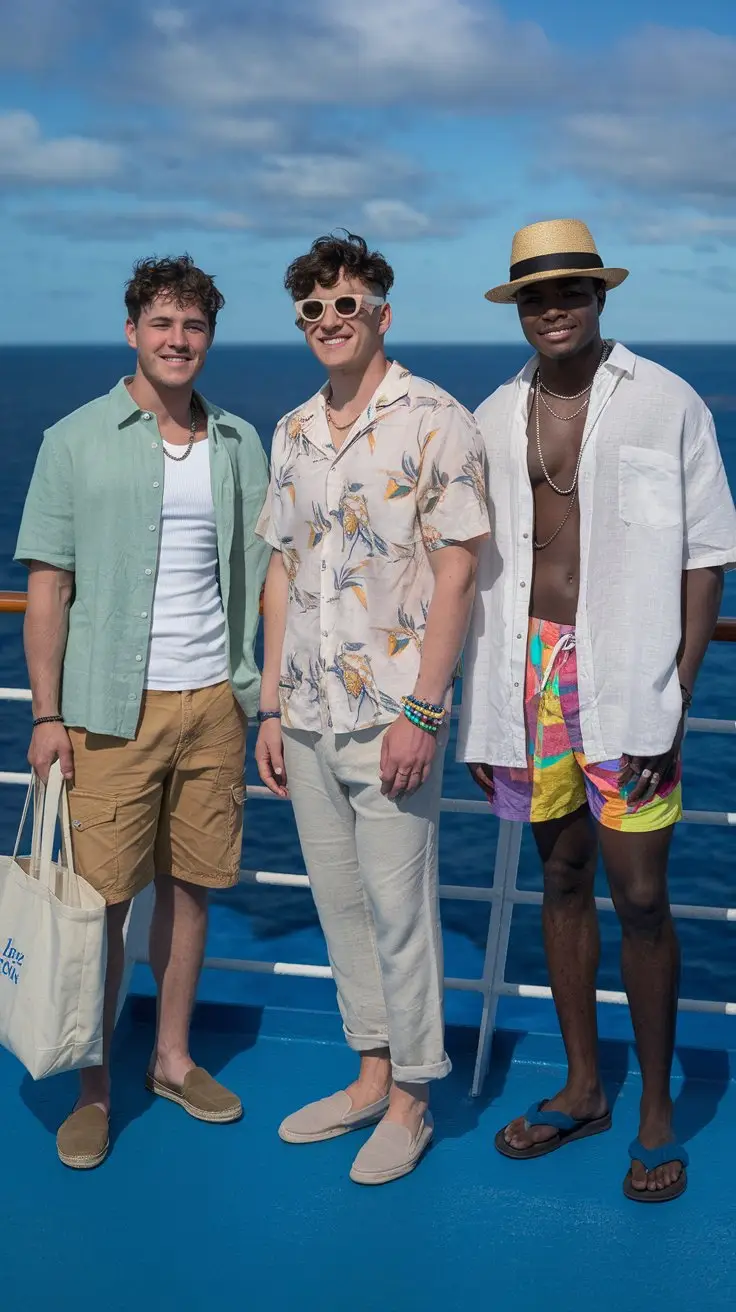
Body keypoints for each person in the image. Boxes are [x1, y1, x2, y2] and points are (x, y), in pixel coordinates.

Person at [458, 218, 736, 1203]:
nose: (554, 306)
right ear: (519, 309)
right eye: (535, 294)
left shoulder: (666, 402)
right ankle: (583, 1086)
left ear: (599, 294)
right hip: (524, 675)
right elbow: (460, 562)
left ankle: (655, 1103)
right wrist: (469, 713)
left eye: (569, 288)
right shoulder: (490, 415)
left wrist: (676, 687)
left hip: (630, 677)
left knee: (645, 895)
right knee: (560, 875)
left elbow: (707, 554)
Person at [15, 255, 270, 1169]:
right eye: (161, 323)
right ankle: (93, 1085)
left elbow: (263, 579)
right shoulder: (74, 439)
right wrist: (46, 716)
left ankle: (170, 1057)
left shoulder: (239, 442)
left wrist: (264, 700)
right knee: (103, 907)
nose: (177, 340)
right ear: (132, 331)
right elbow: (49, 587)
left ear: (209, 336)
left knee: (193, 888)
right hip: (107, 713)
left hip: (213, 704)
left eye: (194, 325)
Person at [255, 232, 489, 1185]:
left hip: (393, 711)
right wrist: (269, 705)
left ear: (381, 313)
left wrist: (424, 713)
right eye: (312, 309)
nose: (327, 322)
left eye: (344, 304)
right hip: (307, 712)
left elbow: (459, 573)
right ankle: (368, 1073)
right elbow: (281, 569)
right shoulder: (292, 431)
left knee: (401, 909)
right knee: (341, 905)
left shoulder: (437, 419)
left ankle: (412, 1101)